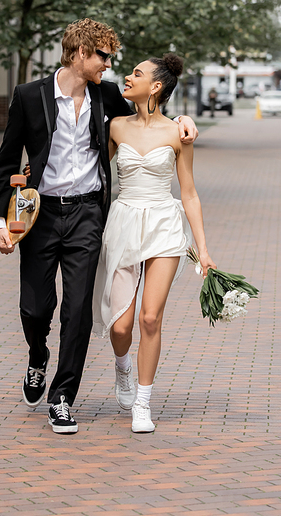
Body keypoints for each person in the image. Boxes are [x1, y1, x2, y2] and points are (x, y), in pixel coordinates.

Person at [0, 19, 198, 434]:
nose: (109, 65)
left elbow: (150, 117)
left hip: (88, 214)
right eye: (103, 56)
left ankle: (62, 397)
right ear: (80, 53)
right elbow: (6, 159)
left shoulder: (105, 96)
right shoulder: (29, 96)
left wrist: (184, 118)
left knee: (78, 308)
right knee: (35, 307)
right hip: (40, 214)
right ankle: (37, 356)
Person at [92, 53, 216, 433]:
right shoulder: (115, 127)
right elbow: (89, 170)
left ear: (157, 86)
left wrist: (204, 250)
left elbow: (190, 193)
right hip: (124, 224)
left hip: (164, 225)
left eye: (137, 73)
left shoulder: (178, 133)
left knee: (150, 318)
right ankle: (123, 367)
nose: (127, 77)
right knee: (120, 326)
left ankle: (143, 403)